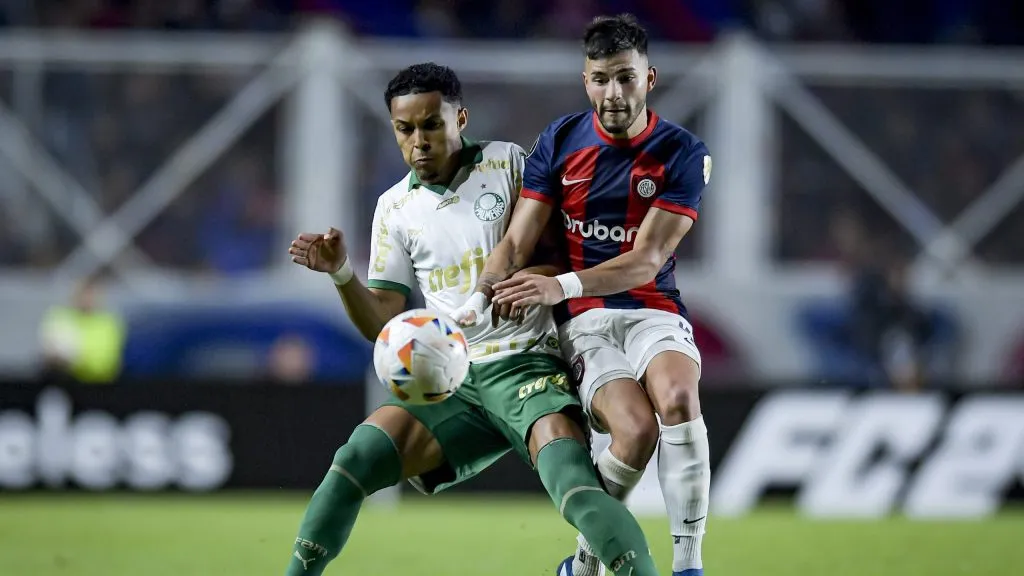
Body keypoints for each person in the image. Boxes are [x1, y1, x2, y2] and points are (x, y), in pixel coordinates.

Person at [283, 62, 659, 576]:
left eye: (431, 125)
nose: (420, 141)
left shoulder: (507, 164)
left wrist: (524, 285)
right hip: (449, 380)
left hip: (527, 364)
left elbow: (560, 256)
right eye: (405, 129)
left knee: (575, 490)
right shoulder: (394, 208)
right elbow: (384, 324)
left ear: (459, 118)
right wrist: (342, 272)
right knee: (355, 459)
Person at [453, 15, 712, 576]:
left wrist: (557, 284)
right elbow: (517, 240)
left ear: (650, 77)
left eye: (625, 78)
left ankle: (689, 566)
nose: (613, 94)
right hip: (584, 321)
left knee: (677, 401)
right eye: (600, 79)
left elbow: (645, 259)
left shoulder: (683, 152)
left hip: (652, 308)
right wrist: (476, 301)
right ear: (585, 79)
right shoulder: (561, 140)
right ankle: (588, 563)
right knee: (636, 431)